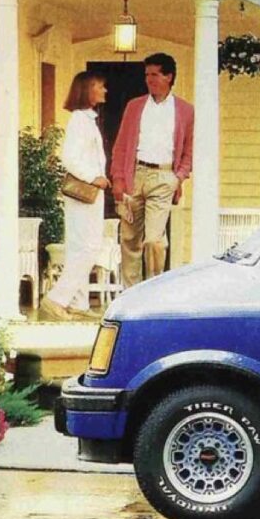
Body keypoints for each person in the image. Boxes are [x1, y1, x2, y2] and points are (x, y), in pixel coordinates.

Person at [110, 53, 194, 286]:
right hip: (134, 174)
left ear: (169, 76)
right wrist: (118, 179)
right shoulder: (135, 107)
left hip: (165, 177)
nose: (149, 79)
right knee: (129, 239)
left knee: (155, 240)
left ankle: (152, 288)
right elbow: (120, 146)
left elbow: (189, 149)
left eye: (154, 74)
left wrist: (178, 177)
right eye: (147, 75)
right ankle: (130, 293)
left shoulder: (185, 111)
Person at [40, 72, 110, 321]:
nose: (105, 91)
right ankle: (57, 298)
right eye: (100, 86)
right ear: (87, 89)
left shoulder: (87, 120)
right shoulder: (79, 121)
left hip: (90, 195)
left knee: (80, 247)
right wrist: (94, 177)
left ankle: (77, 301)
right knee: (88, 247)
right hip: (84, 192)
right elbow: (69, 157)